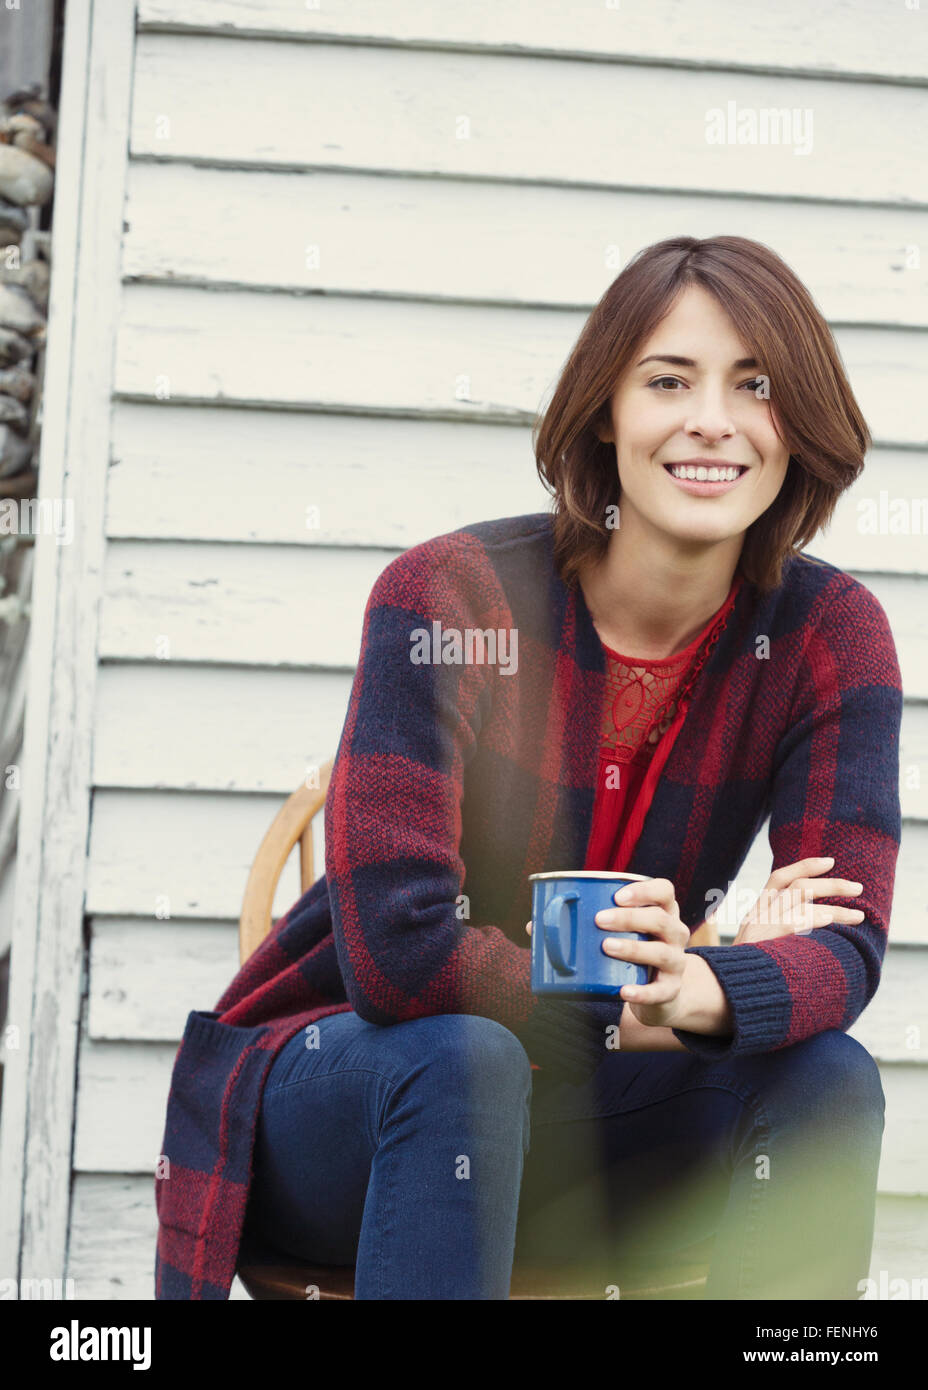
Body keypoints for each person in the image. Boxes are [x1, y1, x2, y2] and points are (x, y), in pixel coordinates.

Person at [154, 236, 902, 1301]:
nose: (712, 421)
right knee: (469, 1058)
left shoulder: (828, 632)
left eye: (756, 386)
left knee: (828, 1077)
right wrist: (684, 989)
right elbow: (399, 956)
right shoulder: (449, 598)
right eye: (667, 380)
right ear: (605, 408)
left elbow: (847, 950)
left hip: (583, 1113)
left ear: (799, 424)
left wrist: (707, 984)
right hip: (358, 1093)